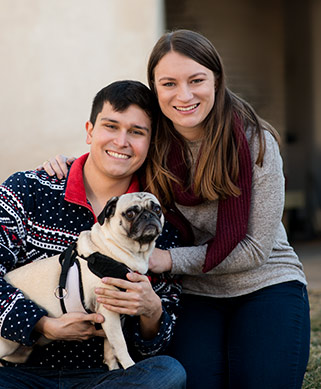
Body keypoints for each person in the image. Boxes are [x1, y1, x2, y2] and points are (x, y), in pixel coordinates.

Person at [42, 30, 311, 389]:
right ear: (155, 88)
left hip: (265, 281)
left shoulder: (255, 143)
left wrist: (166, 260)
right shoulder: (154, 141)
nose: (184, 96)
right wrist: (70, 163)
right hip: (196, 291)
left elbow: (254, 250)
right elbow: (116, 153)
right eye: (169, 83)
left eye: (196, 80)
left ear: (216, 79)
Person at [0, 80, 186, 389]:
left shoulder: (157, 219)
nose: (122, 141)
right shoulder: (27, 190)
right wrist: (43, 324)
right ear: (90, 130)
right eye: (111, 126)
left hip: (106, 377)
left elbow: (156, 344)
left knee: (168, 373)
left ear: (150, 142)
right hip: (18, 374)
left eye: (137, 132)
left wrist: (151, 310)